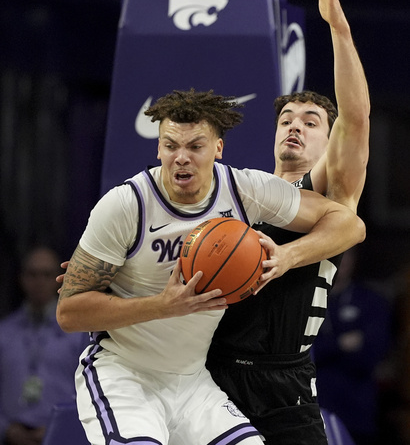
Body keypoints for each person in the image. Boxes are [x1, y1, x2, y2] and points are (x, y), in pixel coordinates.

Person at [56, 87, 364, 445]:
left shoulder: (245, 190)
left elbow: (350, 225)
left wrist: (286, 257)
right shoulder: (125, 205)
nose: (181, 158)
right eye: (170, 146)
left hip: (194, 381)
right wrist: (162, 305)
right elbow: (69, 313)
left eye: (195, 147)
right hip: (126, 372)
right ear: (158, 149)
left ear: (218, 149)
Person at [206, 0, 371, 445]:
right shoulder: (240, 190)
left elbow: (357, 118)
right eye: (286, 120)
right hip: (211, 370)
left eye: (310, 122)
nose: (295, 127)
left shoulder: (323, 191)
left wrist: (339, 30)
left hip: (285, 380)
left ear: (328, 142)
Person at [0, 246, 88, 445]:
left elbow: (90, 393)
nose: (39, 281)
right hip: (10, 437)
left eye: (47, 274)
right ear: (21, 278)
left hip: (62, 437)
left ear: (60, 279)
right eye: (32, 274)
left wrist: (62, 427)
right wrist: (5, 427)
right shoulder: (4, 334)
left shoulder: (79, 333)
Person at [313, 246, 392, 445]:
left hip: (357, 412)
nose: (341, 260)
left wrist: (325, 350)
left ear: (355, 259)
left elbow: (371, 355)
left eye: (346, 254)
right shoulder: (308, 301)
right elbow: (304, 354)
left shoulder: (371, 301)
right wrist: (340, 344)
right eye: (335, 253)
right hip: (313, 410)